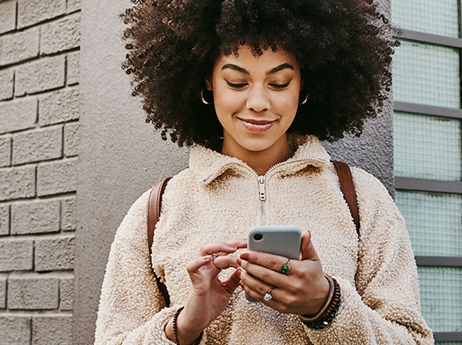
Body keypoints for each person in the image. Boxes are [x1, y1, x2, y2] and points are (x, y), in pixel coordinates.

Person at [94, 0, 432, 344]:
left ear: (305, 86)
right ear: (207, 83)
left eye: (280, 82)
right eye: (237, 82)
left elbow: (414, 340)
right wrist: (183, 327)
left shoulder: (360, 197)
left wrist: (327, 305)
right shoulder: (156, 210)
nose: (258, 102)